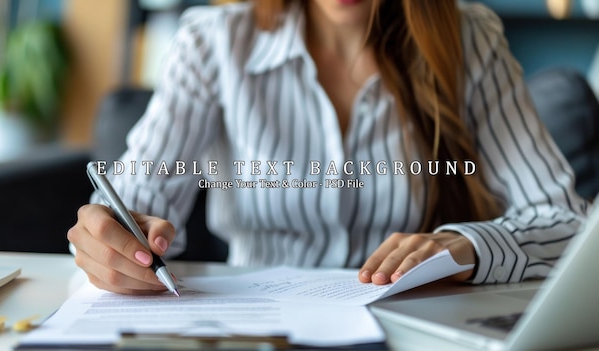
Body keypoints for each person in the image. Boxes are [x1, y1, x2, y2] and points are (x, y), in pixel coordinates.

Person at [68, 0, 588, 295]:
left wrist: (468, 246)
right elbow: (128, 213)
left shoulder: (470, 38)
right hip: (256, 330)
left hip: (413, 328)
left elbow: (567, 222)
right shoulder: (213, 43)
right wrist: (111, 244)